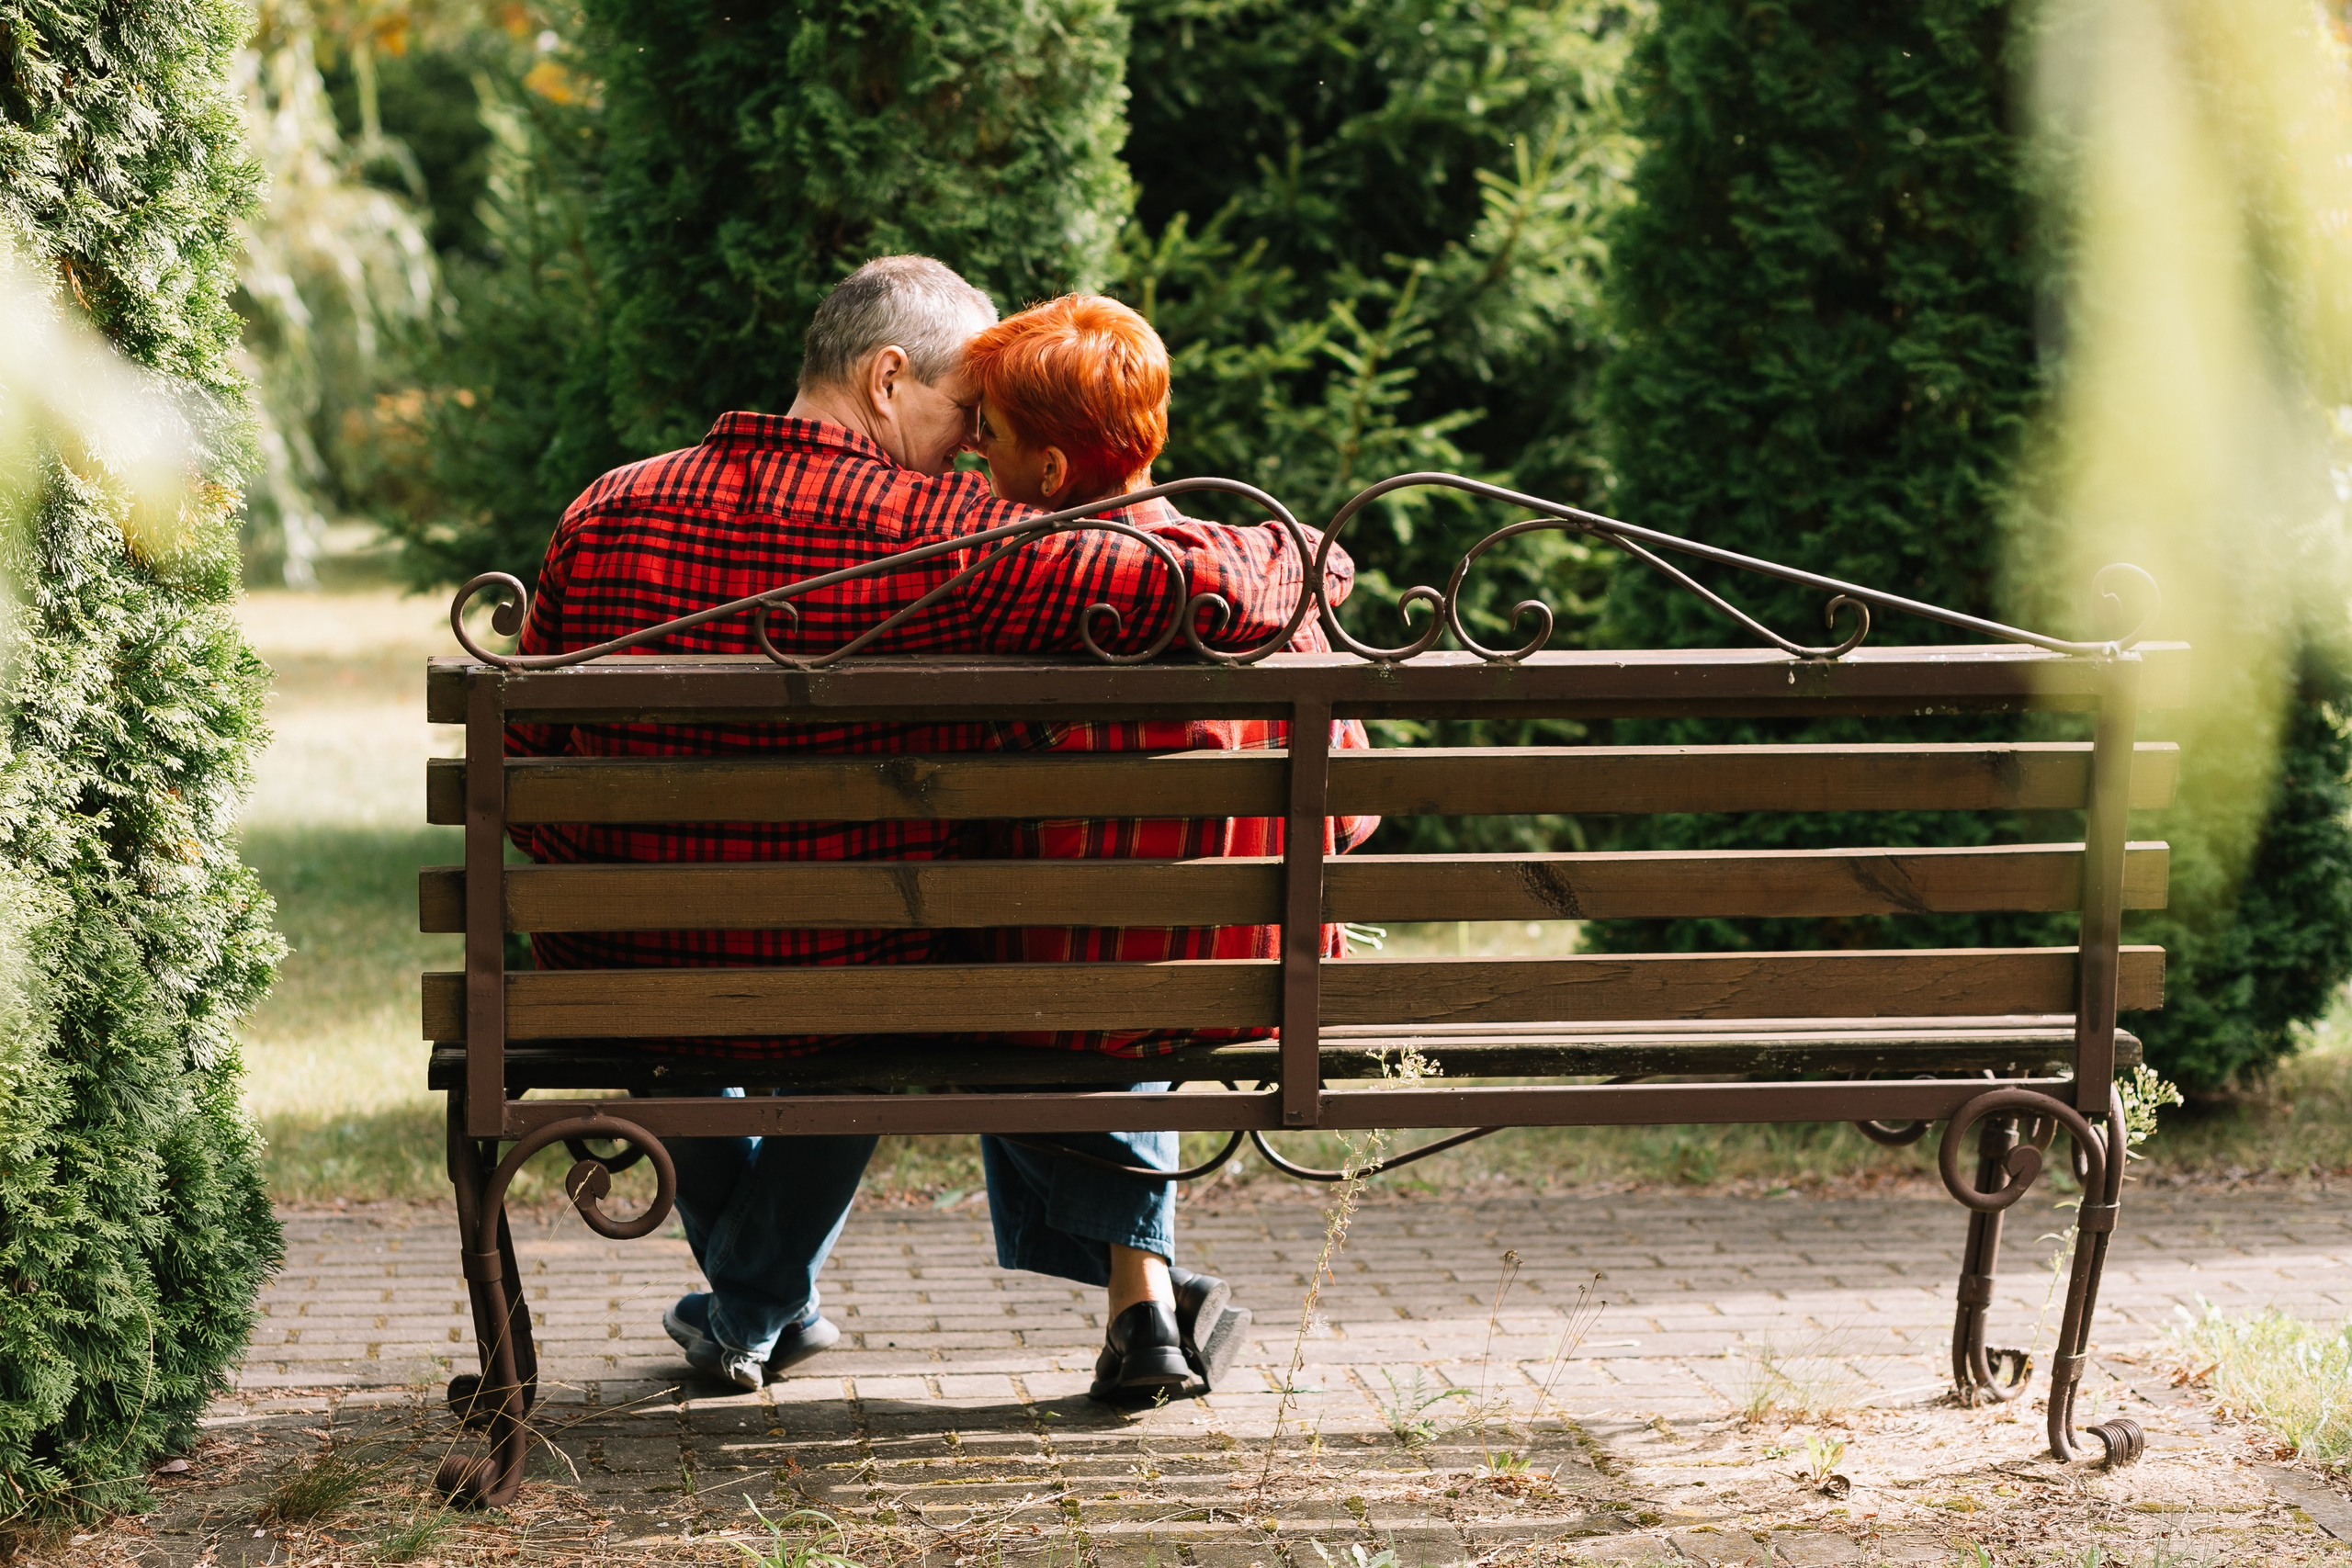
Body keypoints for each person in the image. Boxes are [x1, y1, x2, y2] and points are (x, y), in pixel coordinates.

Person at [502, 257, 1360, 1402]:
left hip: (611, 967)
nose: (967, 447)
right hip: (848, 976)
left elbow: (528, 767)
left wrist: (600, 877)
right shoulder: (943, 538)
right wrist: (1306, 552)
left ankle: (755, 1307)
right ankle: (780, 1297)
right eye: (962, 411)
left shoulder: (600, 509)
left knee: (697, 984)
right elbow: (1179, 577)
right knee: (900, 967)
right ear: (888, 377)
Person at [957, 294, 1378, 1397]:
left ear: (1049, 476)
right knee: (1110, 972)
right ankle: (1146, 1301)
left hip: (1059, 995)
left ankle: (1148, 1306)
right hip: (1263, 983)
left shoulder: (1009, 589)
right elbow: (1351, 812)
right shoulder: (1274, 585)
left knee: (1035, 981)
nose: (969, 449)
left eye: (986, 434)